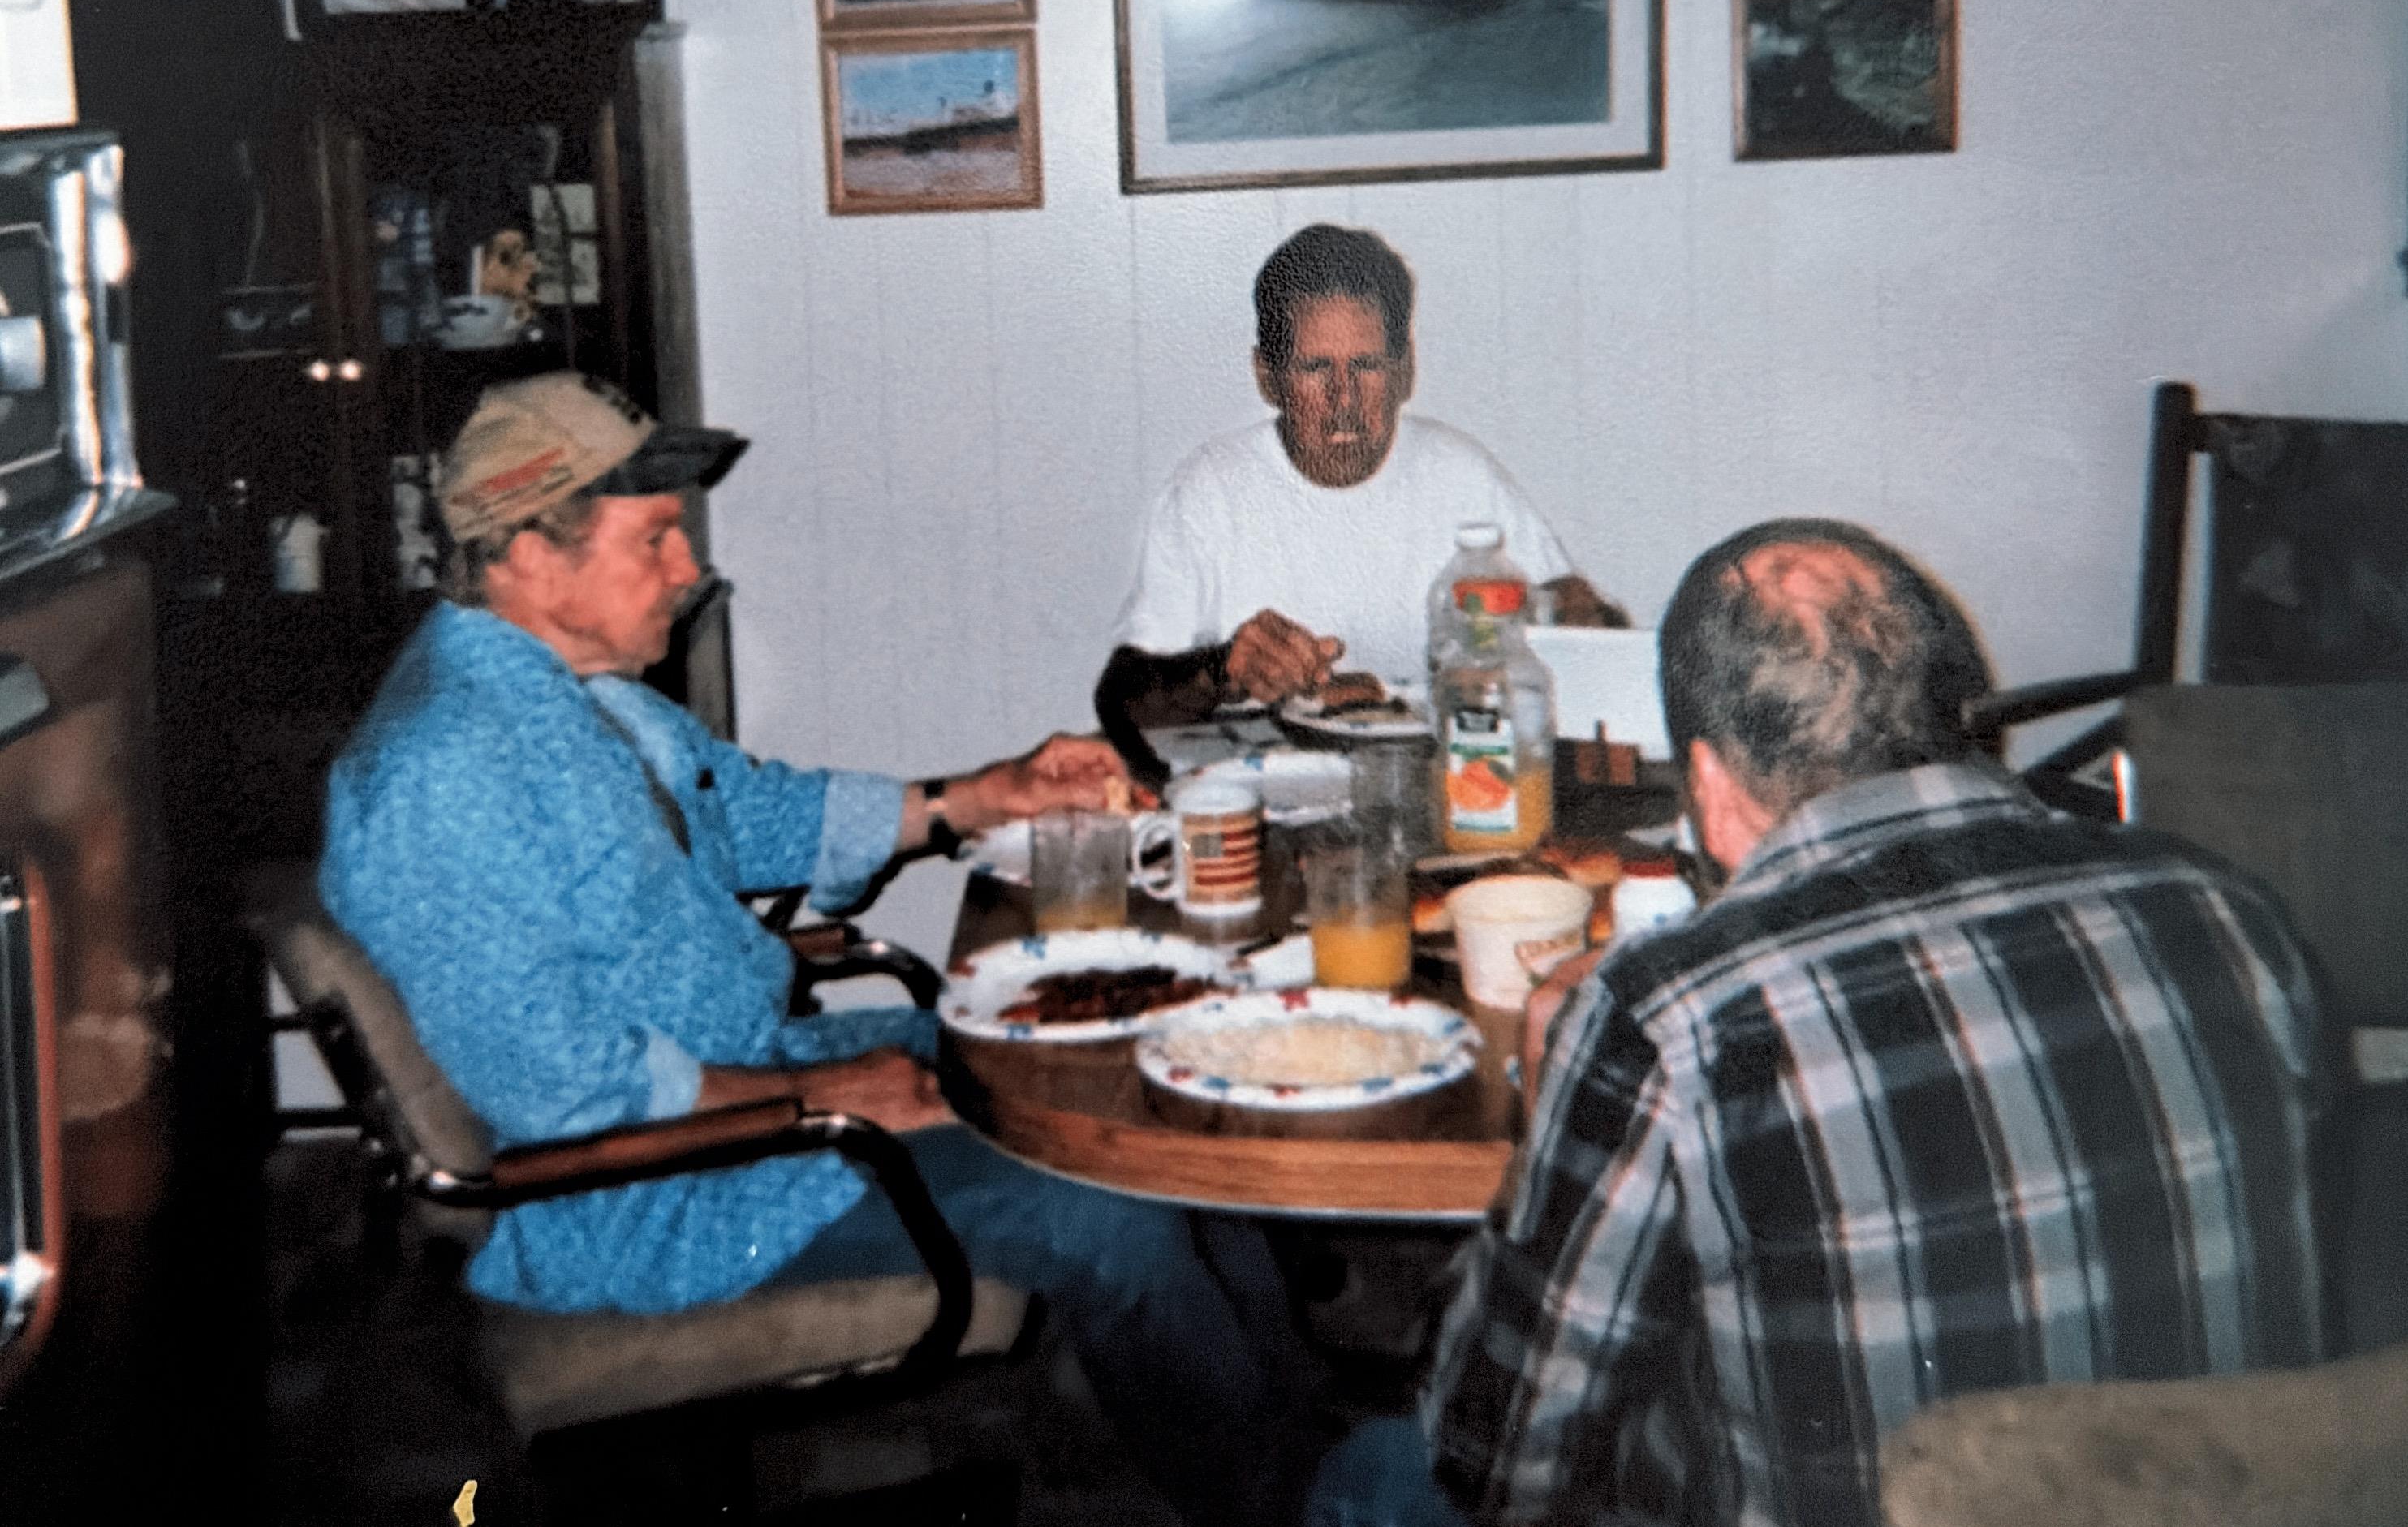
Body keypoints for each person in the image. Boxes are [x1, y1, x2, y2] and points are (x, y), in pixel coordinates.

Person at [319, 372, 1320, 1526]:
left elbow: (754, 814)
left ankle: (1293, 1431)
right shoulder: (438, 773)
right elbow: (569, 1093)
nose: (688, 571)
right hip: (654, 1190)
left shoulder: (582, 700)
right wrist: (821, 1095)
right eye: (653, 541)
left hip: (753, 1089)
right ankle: (1288, 1505)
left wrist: (984, 795)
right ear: (530, 559)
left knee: (1143, 1090)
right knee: (1107, 1213)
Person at [1310, 518, 2337, 1527]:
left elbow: (1493, 1464)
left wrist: (1548, 1117)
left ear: (1707, 790)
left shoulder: (1669, 1015)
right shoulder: (2231, 912)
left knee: (1370, 1475)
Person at [1096, 225, 1619, 775]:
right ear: (1267, 377)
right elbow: (1123, 700)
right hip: (1258, 811)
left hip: (1449, 797)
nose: (1342, 400)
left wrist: (1585, 619)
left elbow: (1585, 641)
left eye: (1366, 367)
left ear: (1404, 370)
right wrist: (1223, 669)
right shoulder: (1208, 491)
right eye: (1315, 368)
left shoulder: (1462, 475)